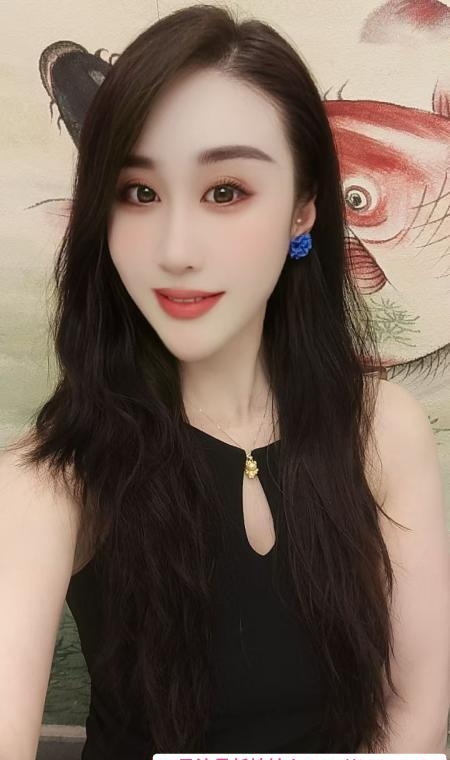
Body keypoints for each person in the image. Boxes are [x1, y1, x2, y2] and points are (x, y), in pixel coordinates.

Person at [1, 3, 448, 757]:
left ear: (303, 209)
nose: (175, 249)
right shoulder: (54, 477)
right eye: (139, 193)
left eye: (225, 192)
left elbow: (416, 719)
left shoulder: (384, 428)